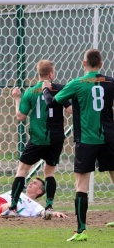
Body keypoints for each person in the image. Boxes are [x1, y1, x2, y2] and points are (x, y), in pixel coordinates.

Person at [42, 48, 114, 242]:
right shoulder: (110, 82)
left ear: (83, 64)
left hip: (87, 141)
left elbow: (51, 103)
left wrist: (46, 89)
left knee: (81, 185)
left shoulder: (77, 84)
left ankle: (81, 230)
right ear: (101, 64)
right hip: (109, 138)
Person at [0, 60, 72, 221]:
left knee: (22, 170)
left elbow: (20, 116)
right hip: (56, 138)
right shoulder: (60, 89)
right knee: (49, 173)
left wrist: (17, 98)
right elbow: (69, 110)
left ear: (38, 73)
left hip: (38, 138)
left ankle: (12, 208)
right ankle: (49, 207)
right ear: (51, 74)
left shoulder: (31, 92)